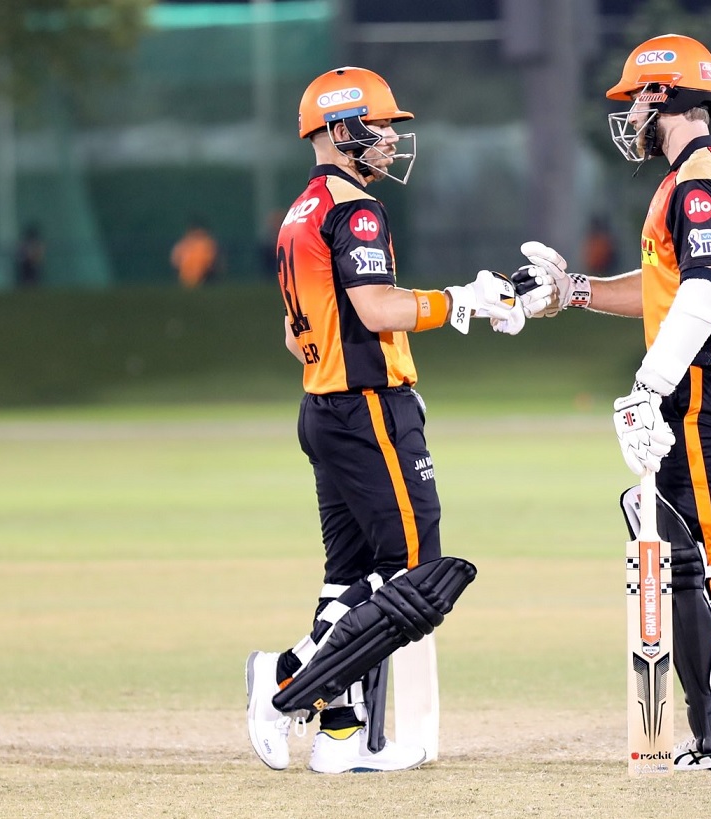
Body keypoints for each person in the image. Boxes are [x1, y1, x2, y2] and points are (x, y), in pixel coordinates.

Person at [244, 66, 525, 775]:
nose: (393, 142)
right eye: (381, 128)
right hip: (366, 408)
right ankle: (284, 681)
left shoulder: (300, 211)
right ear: (342, 130)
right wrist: (459, 301)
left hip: (324, 405)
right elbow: (376, 309)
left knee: (351, 577)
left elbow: (293, 332)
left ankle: (342, 736)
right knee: (414, 577)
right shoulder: (355, 211)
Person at [514, 34, 711, 772]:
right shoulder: (704, 174)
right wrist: (577, 292)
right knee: (690, 556)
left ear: (662, 95)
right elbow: (668, 289)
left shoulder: (695, 183)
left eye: (633, 99)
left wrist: (649, 386)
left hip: (705, 384)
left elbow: (701, 291)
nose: (628, 114)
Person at [171, 218, 219, 288]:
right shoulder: (206, 243)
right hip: (195, 277)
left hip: (191, 278)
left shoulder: (183, 243)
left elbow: (175, 261)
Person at [13, 222, 45, 289]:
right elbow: (20, 253)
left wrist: (35, 259)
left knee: (33, 279)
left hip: (33, 263)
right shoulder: (25, 243)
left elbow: (39, 254)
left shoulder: (36, 243)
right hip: (26, 264)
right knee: (26, 280)